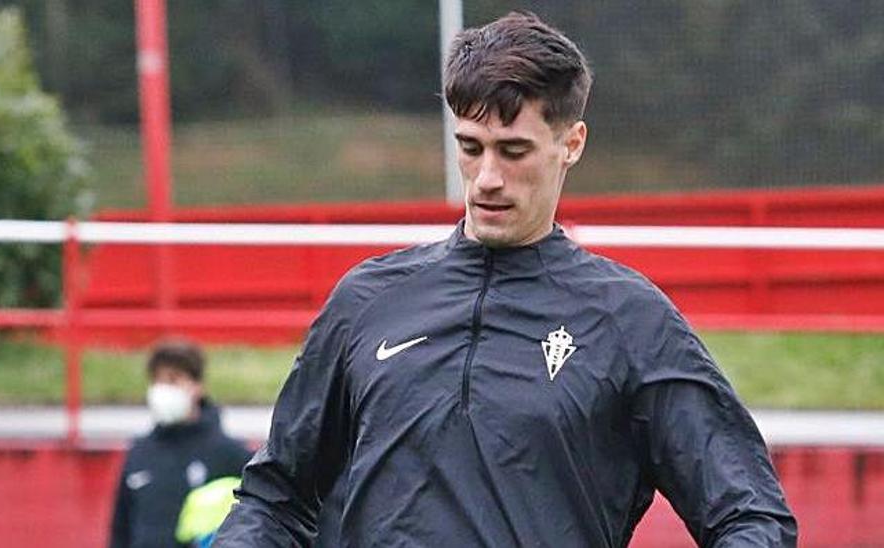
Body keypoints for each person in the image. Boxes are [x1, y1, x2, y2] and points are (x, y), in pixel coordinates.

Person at [214, 11, 796, 547]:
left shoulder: (630, 320)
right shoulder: (368, 299)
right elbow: (277, 498)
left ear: (571, 144)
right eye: (471, 147)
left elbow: (751, 517)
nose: (487, 177)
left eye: (514, 150)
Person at [109, 339, 253, 548]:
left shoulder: (229, 454)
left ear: (197, 386)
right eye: (157, 381)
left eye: (173, 380)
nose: (163, 389)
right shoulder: (139, 453)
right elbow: (120, 531)